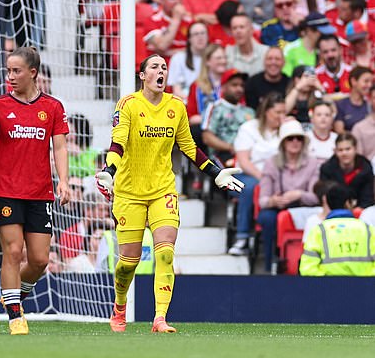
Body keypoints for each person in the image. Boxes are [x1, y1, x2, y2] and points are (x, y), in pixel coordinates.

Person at [95, 54, 244, 334]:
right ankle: (119, 307)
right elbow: (119, 143)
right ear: (143, 76)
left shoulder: (176, 106)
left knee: (165, 253)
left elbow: (189, 146)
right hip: (129, 192)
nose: (161, 71)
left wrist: (216, 172)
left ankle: (159, 318)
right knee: (129, 262)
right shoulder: (128, 105)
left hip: (163, 188)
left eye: (164, 67)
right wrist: (108, 171)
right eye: (155, 67)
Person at [0, 47, 70, 335]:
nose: (10, 76)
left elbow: (59, 146)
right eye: (8, 70)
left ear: (33, 72)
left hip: (40, 192)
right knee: (13, 250)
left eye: (16, 71)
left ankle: (12, 295)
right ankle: (15, 316)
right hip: (6, 190)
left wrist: (64, 181)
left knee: (40, 260)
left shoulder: (53, 107)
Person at [257, 119, 320, 272]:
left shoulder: (313, 163)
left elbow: (316, 197)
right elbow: (262, 200)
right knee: (267, 217)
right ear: (283, 142)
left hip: (304, 208)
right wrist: (274, 201)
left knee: (318, 217)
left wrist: (299, 194)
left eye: (299, 138)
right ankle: (271, 264)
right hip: (279, 207)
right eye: (290, 138)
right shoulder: (271, 163)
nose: (295, 142)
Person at [229, 92, 285, 255]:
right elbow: (244, 161)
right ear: (267, 111)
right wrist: (263, 178)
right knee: (249, 188)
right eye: (277, 112)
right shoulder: (249, 128)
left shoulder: (286, 129)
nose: (281, 117)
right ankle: (242, 237)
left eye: (284, 112)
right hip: (248, 174)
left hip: (278, 175)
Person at [300, 184, 375, 276]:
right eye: (353, 202)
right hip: (366, 288)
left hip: (327, 288)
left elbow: (307, 269)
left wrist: (328, 282)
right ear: (347, 203)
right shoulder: (368, 230)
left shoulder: (318, 231)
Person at [201, 70, 255, 167]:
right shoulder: (215, 108)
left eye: (242, 85)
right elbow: (207, 138)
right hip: (222, 154)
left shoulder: (249, 111)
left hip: (249, 154)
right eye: (234, 85)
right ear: (224, 87)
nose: (239, 89)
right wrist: (231, 147)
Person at [320, 133, 374, 209]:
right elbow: (325, 195)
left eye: (348, 149)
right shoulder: (327, 168)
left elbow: (367, 198)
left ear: (355, 149)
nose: (344, 153)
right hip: (333, 211)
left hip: (361, 211)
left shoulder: (365, 168)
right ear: (335, 151)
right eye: (340, 150)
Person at [167, 22, 209, 101]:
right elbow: (176, 90)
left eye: (203, 33)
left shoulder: (213, 58)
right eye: (196, 34)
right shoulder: (178, 58)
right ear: (189, 39)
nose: (200, 37)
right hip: (185, 102)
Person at [333, 66, 372, 133]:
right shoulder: (341, 105)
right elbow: (339, 131)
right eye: (366, 81)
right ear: (353, 81)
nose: (370, 85)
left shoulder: (370, 105)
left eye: (371, 82)